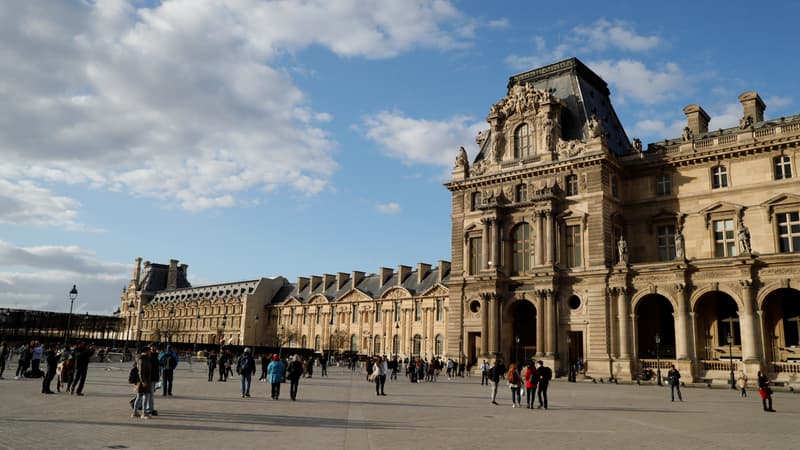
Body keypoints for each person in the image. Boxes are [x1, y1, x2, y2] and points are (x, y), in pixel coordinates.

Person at [132, 348, 153, 419]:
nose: (150, 353)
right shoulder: (143, 359)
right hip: (144, 381)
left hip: (142, 380)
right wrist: (144, 381)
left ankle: (135, 412)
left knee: (139, 396)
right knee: (145, 396)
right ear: (146, 352)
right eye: (150, 351)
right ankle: (144, 414)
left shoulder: (143, 358)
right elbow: (141, 372)